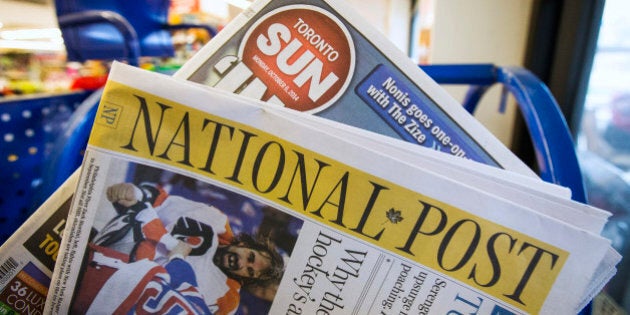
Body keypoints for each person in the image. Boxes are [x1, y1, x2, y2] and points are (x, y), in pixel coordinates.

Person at [74, 182, 284, 315]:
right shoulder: (216, 221)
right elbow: (160, 201)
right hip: (98, 253)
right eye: (249, 257)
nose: (241, 264)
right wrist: (133, 192)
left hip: (112, 300)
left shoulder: (227, 301)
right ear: (244, 244)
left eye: (249, 270)